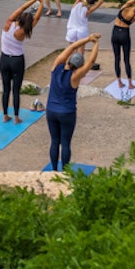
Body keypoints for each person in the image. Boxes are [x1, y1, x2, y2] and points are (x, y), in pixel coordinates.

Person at [47, 32, 102, 171]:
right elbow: (90, 62)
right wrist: (95, 43)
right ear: (78, 66)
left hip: (51, 110)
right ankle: (64, 171)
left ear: (69, 60)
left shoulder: (56, 66)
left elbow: (71, 48)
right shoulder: (75, 76)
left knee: (54, 141)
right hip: (67, 113)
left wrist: (87, 39)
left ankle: (53, 170)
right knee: (65, 143)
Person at [0, 0, 45, 123]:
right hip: (17, 61)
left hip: (4, 60)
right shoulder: (23, 31)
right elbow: (38, 17)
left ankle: (5, 115)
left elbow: (22, 7)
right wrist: (42, 3)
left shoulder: (8, 23)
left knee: (6, 89)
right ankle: (16, 117)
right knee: (16, 90)